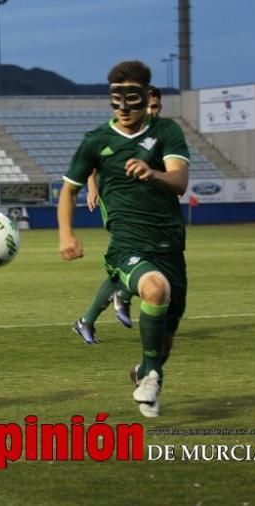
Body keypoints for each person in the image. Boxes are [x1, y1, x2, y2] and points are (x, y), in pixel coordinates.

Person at [58, 62, 189, 418]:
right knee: (154, 288)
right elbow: (67, 191)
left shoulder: (167, 132)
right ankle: (153, 376)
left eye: (132, 97)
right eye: (117, 98)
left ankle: (144, 370)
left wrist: (153, 173)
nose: (124, 106)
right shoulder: (96, 140)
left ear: (146, 97)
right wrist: (67, 234)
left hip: (170, 245)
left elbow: (179, 183)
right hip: (127, 246)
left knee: (166, 335)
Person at [86, 84, 163, 327]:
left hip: (146, 207)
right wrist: (92, 188)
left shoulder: (160, 134)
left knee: (142, 261)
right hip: (118, 203)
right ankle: (122, 295)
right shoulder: (120, 132)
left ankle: (88, 320)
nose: (153, 110)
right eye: (148, 106)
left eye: (156, 106)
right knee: (134, 256)